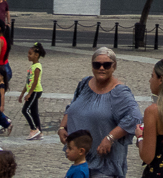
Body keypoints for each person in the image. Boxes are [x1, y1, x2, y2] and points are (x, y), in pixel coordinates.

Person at [58, 47, 142, 178]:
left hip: (104, 166)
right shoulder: (85, 84)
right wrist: (62, 127)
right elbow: (72, 106)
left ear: (114, 66)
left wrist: (110, 137)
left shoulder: (120, 92)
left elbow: (135, 117)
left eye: (106, 65)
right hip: (82, 161)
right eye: (97, 64)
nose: (101, 68)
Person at [18, 42, 46, 139]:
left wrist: (29, 94)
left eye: (30, 54)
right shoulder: (32, 66)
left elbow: (35, 82)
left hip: (36, 91)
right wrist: (22, 93)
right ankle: (39, 132)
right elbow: (28, 82)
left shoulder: (37, 67)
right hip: (32, 91)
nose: (28, 55)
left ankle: (34, 129)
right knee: (34, 112)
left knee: (25, 110)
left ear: (36, 55)